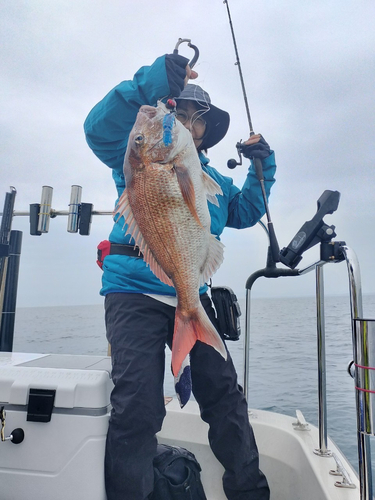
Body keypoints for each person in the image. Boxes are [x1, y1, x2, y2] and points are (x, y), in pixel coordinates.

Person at [84, 52, 276, 500]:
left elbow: (248, 209)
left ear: (206, 131)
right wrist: (150, 84)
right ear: (165, 113)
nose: (188, 123)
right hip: (132, 290)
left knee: (226, 399)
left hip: (191, 292)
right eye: (179, 112)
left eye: (197, 118)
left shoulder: (212, 181)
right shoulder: (137, 157)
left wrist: (262, 167)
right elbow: (99, 130)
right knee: (137, 408)